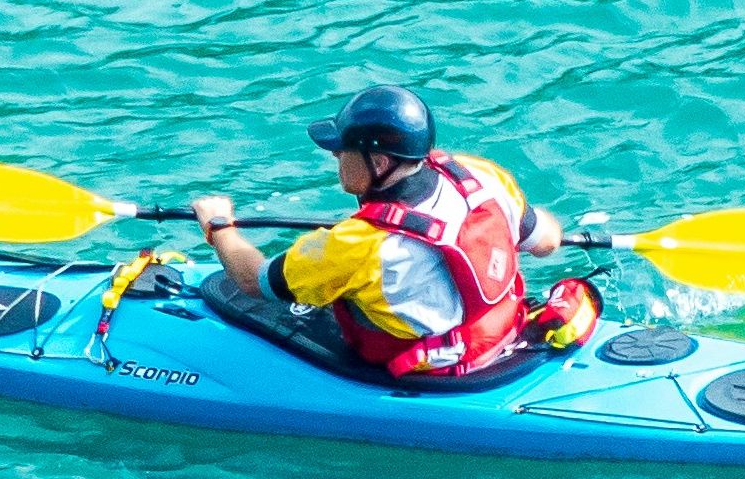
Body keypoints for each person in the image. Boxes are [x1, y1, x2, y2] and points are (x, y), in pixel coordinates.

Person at [185, 81, 598, 387]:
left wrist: (220, 227)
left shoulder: (359, 244)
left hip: (433, 370)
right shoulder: (480, 176)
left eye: (342, 149)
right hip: (505, 338)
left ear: (379, 161)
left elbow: (252, 281)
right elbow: (545, 240)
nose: (334, 155)